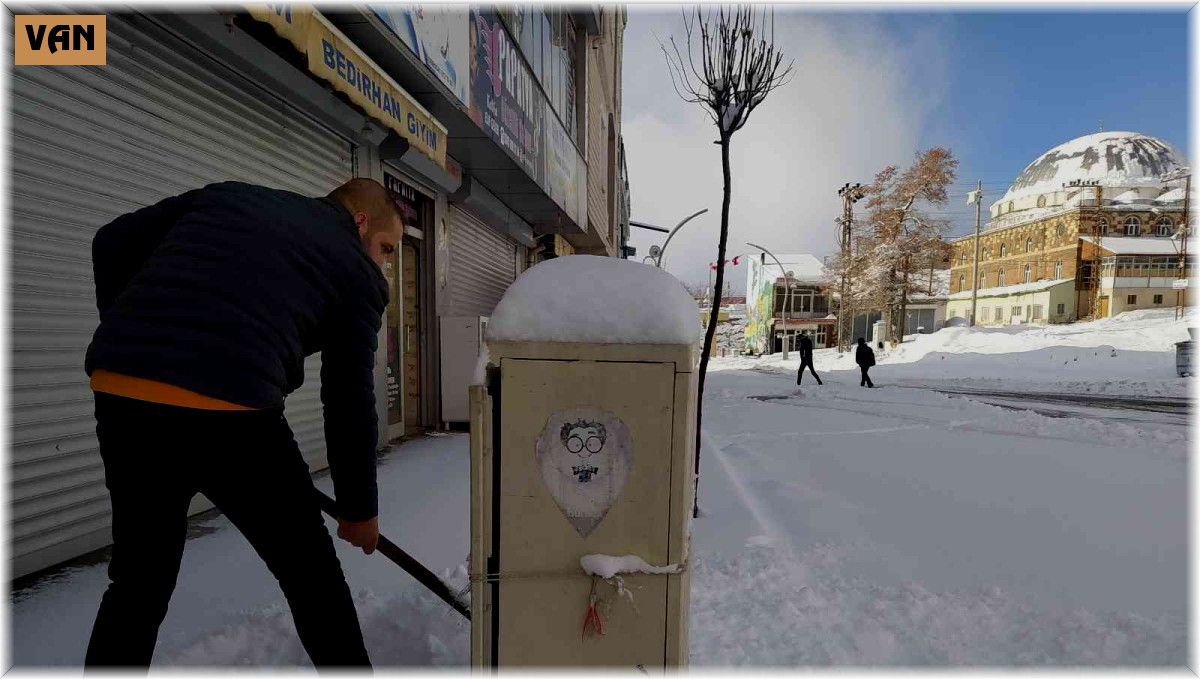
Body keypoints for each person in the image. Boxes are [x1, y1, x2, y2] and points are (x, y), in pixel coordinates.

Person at [83, 179, 400, 669]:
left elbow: (112, 241)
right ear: (360, 221)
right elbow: (347, 397)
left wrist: (140, 342)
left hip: (125, 396)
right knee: (310, 575)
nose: (385, 263)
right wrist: (358, 510)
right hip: (233, 419)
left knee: (139, 583)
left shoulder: (227, 195)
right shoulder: (355, 270)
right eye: (387, 247)